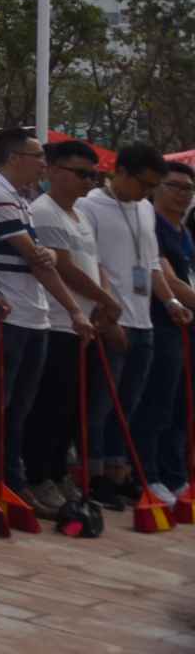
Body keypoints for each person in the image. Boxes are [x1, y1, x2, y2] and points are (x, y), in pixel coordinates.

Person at [0, 125, 82, 510]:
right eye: (38, 157)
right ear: (15, 158)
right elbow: (35, 256)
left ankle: (9, 481)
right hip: (9, 313)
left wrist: (47, 257)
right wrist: (74, 308)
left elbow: (42, 256)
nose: (43, 165)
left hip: (33, 314)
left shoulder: (20, 198)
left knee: (18, 410)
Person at [24, 137, 122, 507]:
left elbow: (95, 265)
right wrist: (104, 300)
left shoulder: (80, 215)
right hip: (57, 323)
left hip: (85, 326)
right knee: (50, 407)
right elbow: (63, 267)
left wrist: (104, 298)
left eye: (93, 176)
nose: (88, 182)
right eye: (81, 174)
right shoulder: (45, 211)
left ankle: (58, 473)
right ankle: (39, 476)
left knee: (72, 409)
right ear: (53, 171)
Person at [79, 143, 168, 495]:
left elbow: (152, 263)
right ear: (122, 172)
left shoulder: (145, 208)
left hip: (144, 320)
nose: (147, 192)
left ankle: (119, 470)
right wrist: (108, 314)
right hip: (111, 319)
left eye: (153, 186)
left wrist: (171, 300)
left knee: (128, 404)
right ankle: (93, 472)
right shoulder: (89, 206)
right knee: (101, 403)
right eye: (144, 183)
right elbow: (91, 264)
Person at [146, 164, 194, 500]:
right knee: (160, 401)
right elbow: (169, 280)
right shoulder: (152, 225)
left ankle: (176, 474)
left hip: (188, 325)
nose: (182, 194)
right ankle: (150, 474)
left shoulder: (184, 231)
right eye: (174, 186)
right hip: (163, 322)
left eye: (188, 188)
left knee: (182, 404)